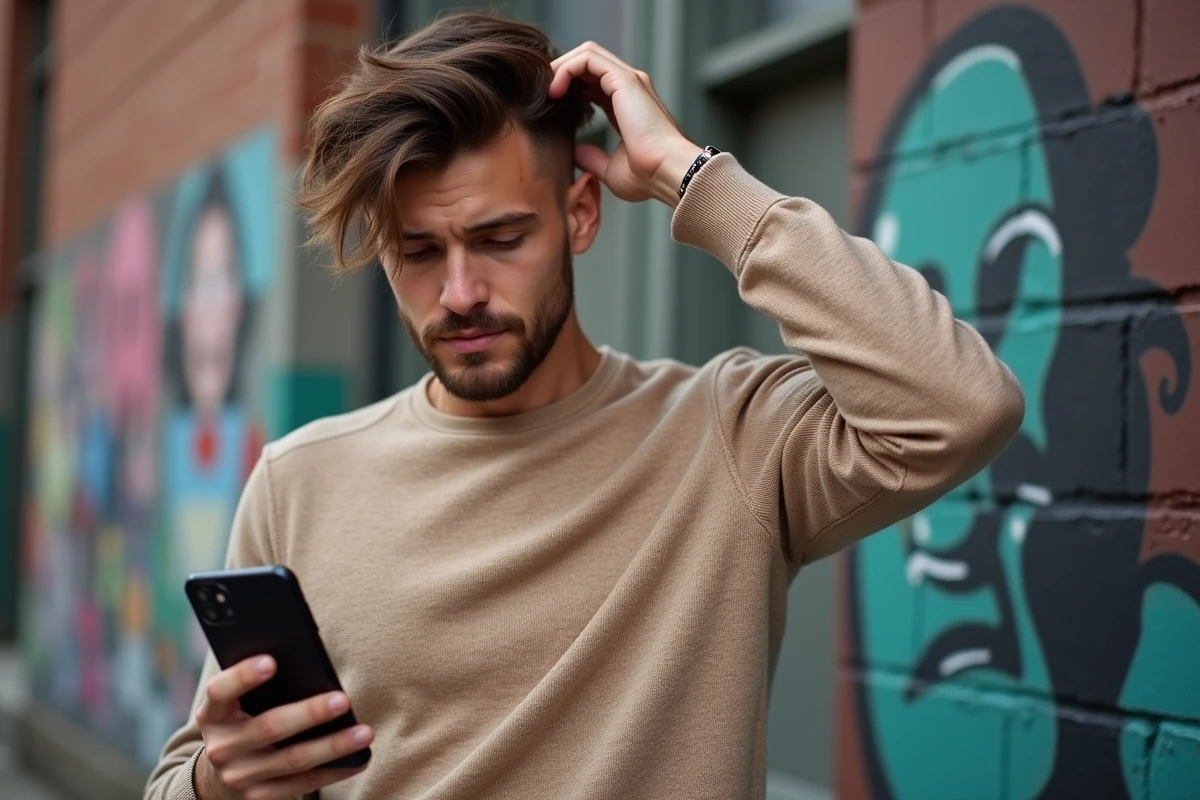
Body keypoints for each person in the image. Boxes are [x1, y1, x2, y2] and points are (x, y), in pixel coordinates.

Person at [145, 12, 1023, 800]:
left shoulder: (729, 436)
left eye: (500, 239)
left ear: (581, 213)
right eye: (418, 251)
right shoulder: (300, 479)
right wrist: (223, 782)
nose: (459, 292)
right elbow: (184, 779)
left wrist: (692, 175)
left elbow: (960, 403)